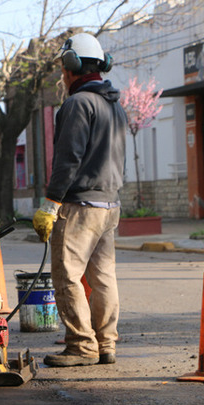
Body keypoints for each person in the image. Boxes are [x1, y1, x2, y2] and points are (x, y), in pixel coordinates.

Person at [32, 32, 127, 367]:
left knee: (68, 275)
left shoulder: (77, 104)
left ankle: (81, 346)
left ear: (71, 66)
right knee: (103, 277)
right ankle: (106, 343)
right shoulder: (114, 105)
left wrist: (50, 203)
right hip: (109, 204)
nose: (62, 73)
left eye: (63, 66)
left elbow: (67, 159)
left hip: (80, 207)